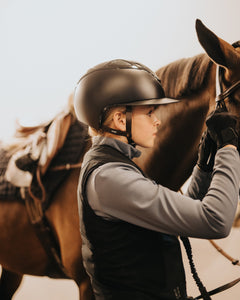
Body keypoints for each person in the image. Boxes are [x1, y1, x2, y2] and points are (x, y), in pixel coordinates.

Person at [73, 59, 240, 300]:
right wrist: (228, 147)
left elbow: (184, 212)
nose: (157, 120)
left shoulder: (116, 165)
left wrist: (204, 166)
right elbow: (216, 221)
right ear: (121, 120)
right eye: (150, 113)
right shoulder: (109, 177)